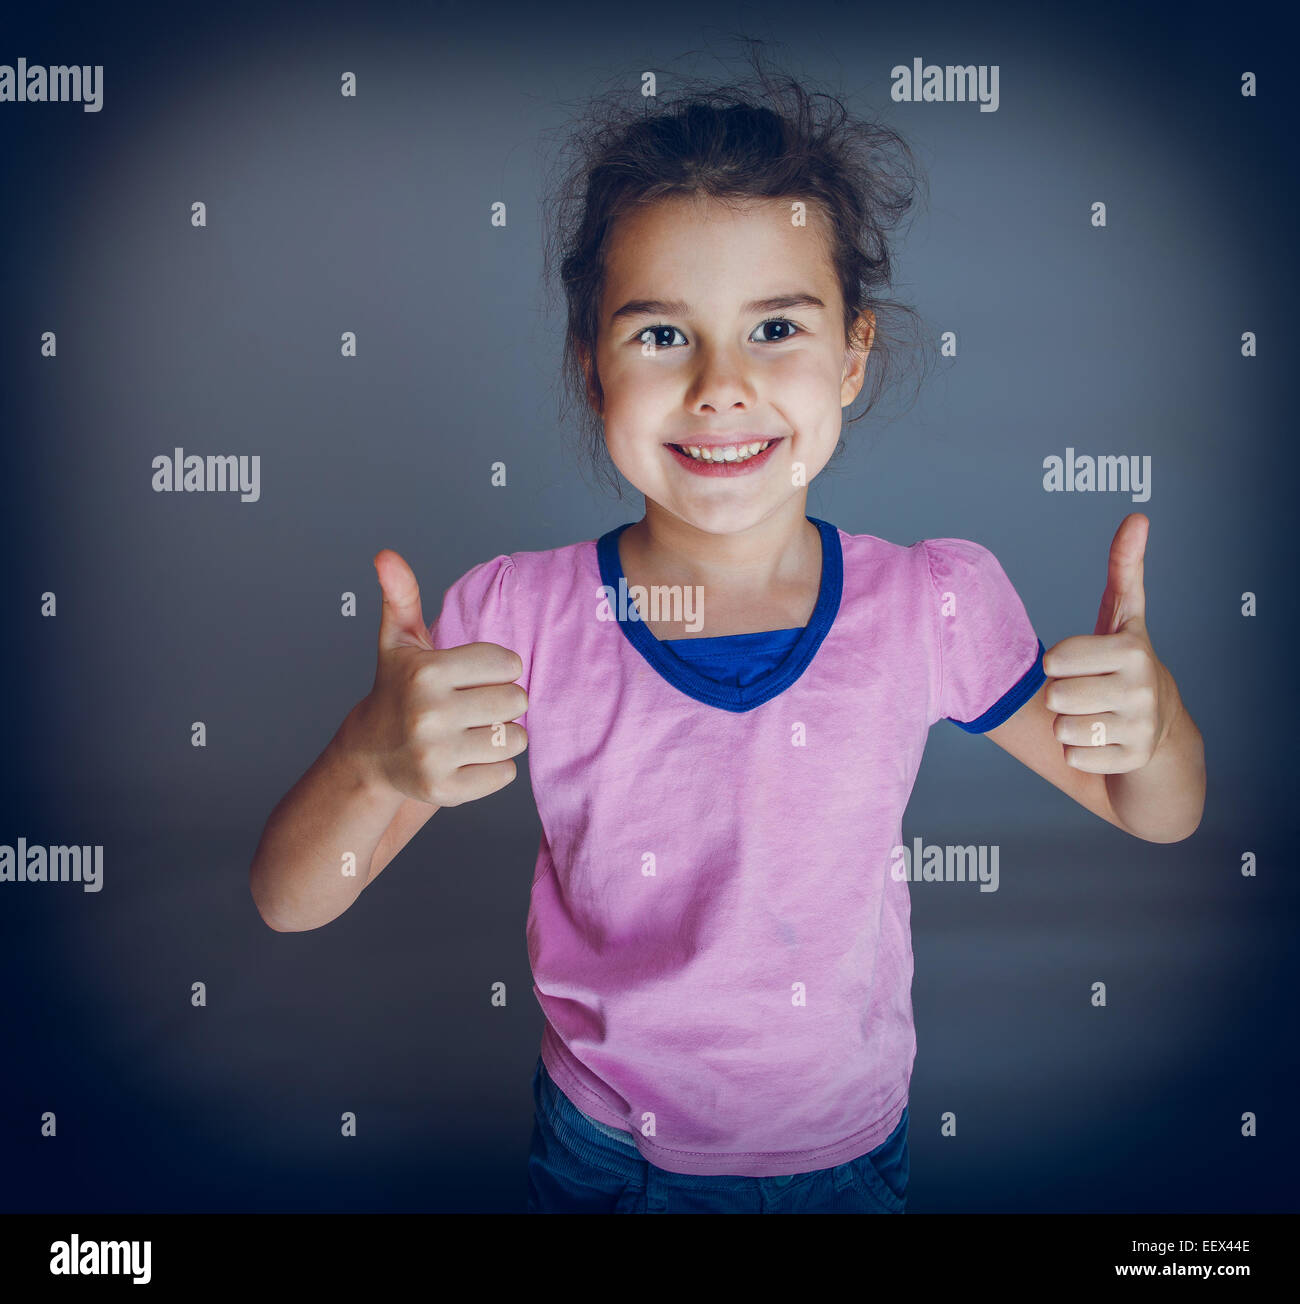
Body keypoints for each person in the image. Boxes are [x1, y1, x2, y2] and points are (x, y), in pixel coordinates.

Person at [249, 52, 1205, 1214]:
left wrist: (1153, 726)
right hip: (604, 1153)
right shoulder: (515, 620)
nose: (718, 385)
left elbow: (1154, 813)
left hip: (845, 1153)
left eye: (774, 330)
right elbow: (290, 897)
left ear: (852, 355)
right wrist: (366, 755)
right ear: (589, 363)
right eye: (660, 335)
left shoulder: (931, 603)